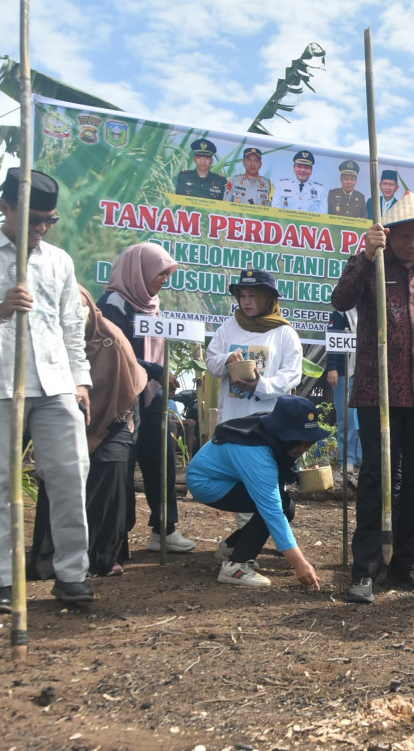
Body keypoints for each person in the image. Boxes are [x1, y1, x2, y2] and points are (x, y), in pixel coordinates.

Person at [0, 168, 96, 610]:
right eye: (34, 220)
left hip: (55, 383)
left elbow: (72, 325)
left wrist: (80, 379)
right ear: (5, 207)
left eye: (49, 220)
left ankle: (71, 574)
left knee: (70, 475)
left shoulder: (59, 260)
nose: (42, 229)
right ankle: (2, 582)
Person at [331, 193, 414, 603]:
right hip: (379, 394)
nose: (412, 244)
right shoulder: (370, 266)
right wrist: (363, 255)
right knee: (377, 480)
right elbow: (340, 300)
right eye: (404, 236)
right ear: (389, 237)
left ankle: (405, 562)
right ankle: (364, 570)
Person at [29, 287, 148, 579]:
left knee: (106, 484)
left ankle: (101, 558)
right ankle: (50, 560)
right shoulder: (50, 342)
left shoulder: (109, 340)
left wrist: (94, 435)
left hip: (115, 420)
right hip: (67, 419)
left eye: (77, 313)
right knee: (58, 484)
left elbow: (120, 393)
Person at [99, 244, 197, 553]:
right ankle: (118, 535)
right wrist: (155, 370)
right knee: (123, 466)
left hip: (151, 396)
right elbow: (116, 352)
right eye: (160, 273)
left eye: (168, 273)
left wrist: (158, 375)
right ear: (138, 271)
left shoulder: (151, 303)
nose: (164, 279)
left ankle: (164, 529)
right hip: (122, 396)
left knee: (161, 459)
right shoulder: (114, 303)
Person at [186, 395, 326, 589]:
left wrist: (304, 474)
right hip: (207, 483)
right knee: (279, 508)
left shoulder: (272, 432)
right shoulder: (256, 451)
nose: (304, 447)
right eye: (299, 440)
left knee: (286, 506)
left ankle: (231, 548)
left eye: (309, 441)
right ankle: (235, 567)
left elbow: (282, 468)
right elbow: (272, 512)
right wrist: (300, 564)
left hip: (229, 478)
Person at [205, 269, 303, 422]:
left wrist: (261, 386)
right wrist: (227, 359)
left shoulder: (285, 333)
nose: (246, 301)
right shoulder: (229, 327)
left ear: (267, 297)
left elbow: (293, 374)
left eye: (252, 295)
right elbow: (211, 362)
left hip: (269, 419)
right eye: (242, 296)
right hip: (233, 419)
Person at [326, 308, 362, 469]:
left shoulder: (372, 308)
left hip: (367, 375)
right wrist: (332, 368)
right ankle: (347, 460)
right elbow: (333, 340)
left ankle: (363, 458)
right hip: (343, 374)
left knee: (364, 419)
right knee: (345, 418)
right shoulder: (340, 313)